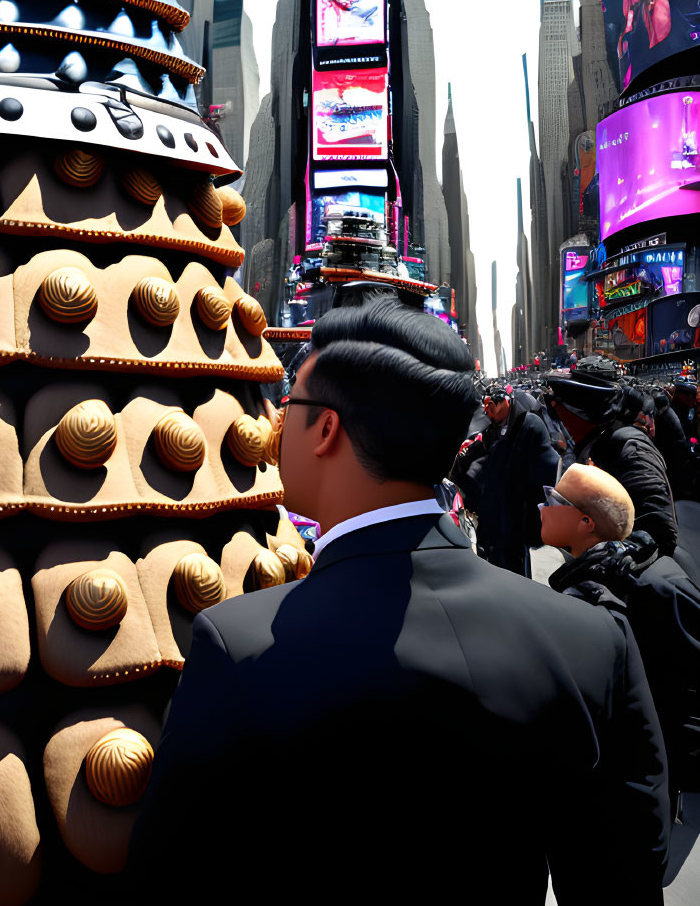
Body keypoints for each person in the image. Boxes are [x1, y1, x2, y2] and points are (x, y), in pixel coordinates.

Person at [133, 297, 670, 901]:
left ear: (327, 429)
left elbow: (169, 874)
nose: (276, 429)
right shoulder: (592, 640)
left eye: (289, 407)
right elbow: (625, 877)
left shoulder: (236, 647)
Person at [542, 463, 700, 814]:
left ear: (587, 523)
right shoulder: (598, 579)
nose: (543, 507)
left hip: (644, 791)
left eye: (552, 499)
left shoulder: (653, 586)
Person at [546, 359, 680, 557]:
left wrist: (610, 554)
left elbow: (659, 529)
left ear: (586, 407)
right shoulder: (596, 444)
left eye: (563, 404)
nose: (557, 410)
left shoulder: (629, 447)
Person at [449, 380, 557, 575]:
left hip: (516, 509)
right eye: (486, 405)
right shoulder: (492, 428)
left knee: (514, 564)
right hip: (493, 508)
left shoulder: (529, 423)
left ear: (506, 401)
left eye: (492, 404)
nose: (488, 410)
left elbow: (546, 468)